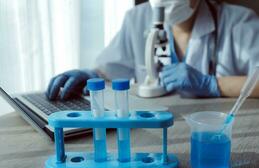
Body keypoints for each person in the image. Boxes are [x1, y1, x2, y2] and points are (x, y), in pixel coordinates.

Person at [46, 0, 259, 100]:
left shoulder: (239, 22)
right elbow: (110, 70)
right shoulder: (137, 19)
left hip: (210, 133)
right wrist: (91, 75)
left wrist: (212, 84)